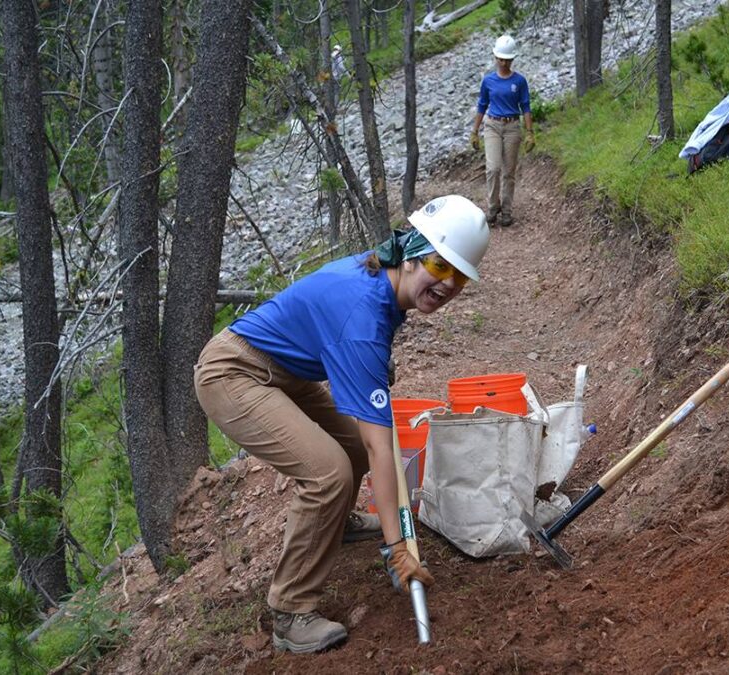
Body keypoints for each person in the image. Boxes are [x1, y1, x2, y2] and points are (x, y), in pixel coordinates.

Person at [194, 195, 490, 654]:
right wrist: (398, 547)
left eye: (459, 276)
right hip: (234, 373)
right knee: (328, 471)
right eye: (439, 265)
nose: (448, 283)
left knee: (348, 445)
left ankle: (338, 519)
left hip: (288, 369)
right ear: (411, 253)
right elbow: (381, 446)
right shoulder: (363, 317)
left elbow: (367, 433)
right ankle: (291, 612)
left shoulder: (383, 279)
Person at [470, 34, 535, 228]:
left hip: (512, 126)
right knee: (493, 168)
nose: (504, 62)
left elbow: (526, 107)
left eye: (507, 59)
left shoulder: (520, 81)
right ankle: (492, 206)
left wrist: (530, 132)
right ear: (495, 58)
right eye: (500, 59)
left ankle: (506, 210)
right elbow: (482, 105)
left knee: (509, 171)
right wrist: (474, 131)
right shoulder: (488, 81)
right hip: (492, 125)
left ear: (512, 59)